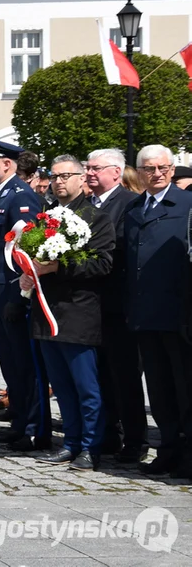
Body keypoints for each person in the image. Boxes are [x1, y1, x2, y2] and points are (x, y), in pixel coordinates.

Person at [23, 155, 114, 472]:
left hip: (78, 312)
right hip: (46, 312)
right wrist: (29, 273)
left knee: (86, 387)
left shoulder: (95, 218)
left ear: (80, 179)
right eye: (55, 176)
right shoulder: (45, 217)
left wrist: (57, 267)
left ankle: (91, 447)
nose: (59, 181)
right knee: (61, 386)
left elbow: (102, 264)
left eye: (66, 175)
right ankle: (71, 442)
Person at [0, 137, 50, 453]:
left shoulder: (21, 196)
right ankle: (19, 422)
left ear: (7, 164)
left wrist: (20, 295)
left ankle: (35, 428)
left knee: (24, 365)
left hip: (12, 292)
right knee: (10, 364)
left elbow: (28, 249)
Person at [125, 145, 192, 478]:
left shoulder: (186, 204)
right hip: (145, 312)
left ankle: (188, 453)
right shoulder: (135, 208)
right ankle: (167, 448)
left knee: (185, 388)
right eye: (149, 168)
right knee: (160, 389)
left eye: (163, 168)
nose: (157, 174)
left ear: (172, 169)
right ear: (139, 172)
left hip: (177, 313)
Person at [83, 148, 145, 463]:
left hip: (117, 304)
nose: (89, 173)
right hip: (89, 305)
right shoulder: (85, 205)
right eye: (87, 168)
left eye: (96, 168)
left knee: (125, 375)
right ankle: (108, 433)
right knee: (99, 374)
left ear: (115, 173)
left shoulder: (129, 204)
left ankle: (135, 439)